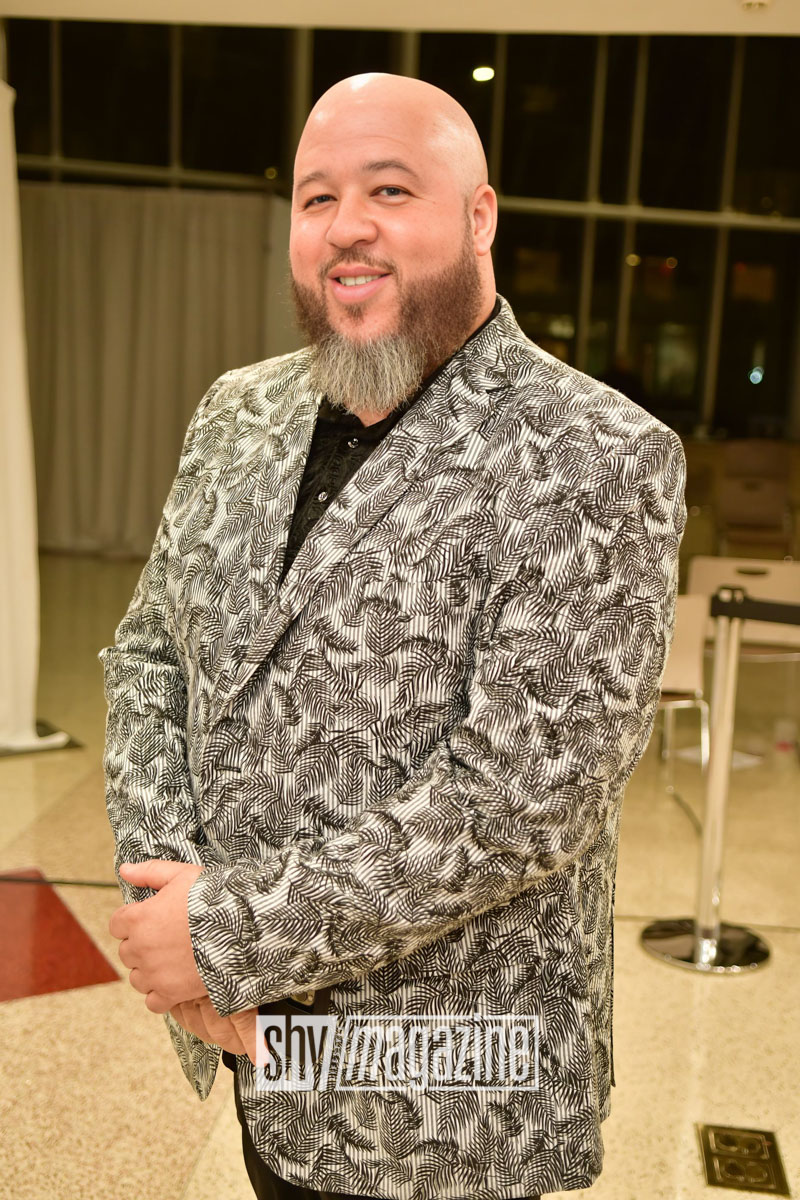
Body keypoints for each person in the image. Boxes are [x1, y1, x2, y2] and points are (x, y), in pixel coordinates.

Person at [102, 73, 686, 1200]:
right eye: (316, 198)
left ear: (479, 217)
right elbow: (149, 659)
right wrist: (164, 907)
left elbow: (522, 801)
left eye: (390, 190)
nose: (345, 227)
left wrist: (222, 933)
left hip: (450, 1093)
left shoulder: (594, 456)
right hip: (256, 1048)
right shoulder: (238, 413)